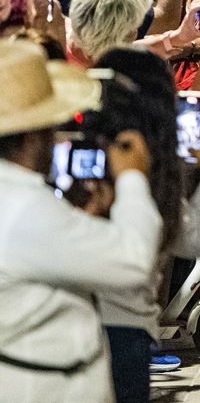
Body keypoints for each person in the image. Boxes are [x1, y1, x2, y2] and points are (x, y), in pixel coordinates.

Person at [0, 37, 163, 403]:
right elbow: (133, 261)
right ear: (33, 134)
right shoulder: (23, 208)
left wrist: (78, 219)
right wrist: (132, 177)